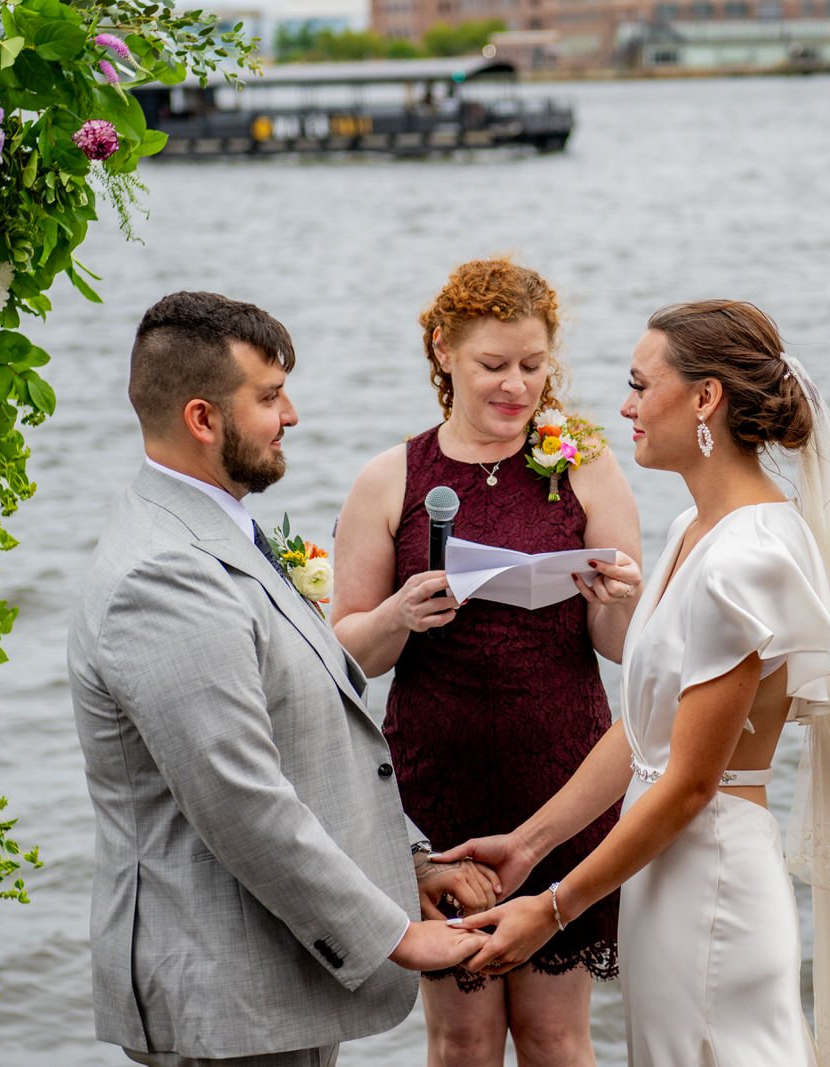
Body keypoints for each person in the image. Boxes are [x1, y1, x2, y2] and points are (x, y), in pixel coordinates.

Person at [438, 300, 830, 1065]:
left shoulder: (748, 555)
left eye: (641, 385)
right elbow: (645, 732)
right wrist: (529, 843)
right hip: (662, 870)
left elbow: (690, 783)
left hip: (711, 874)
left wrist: (552, 911)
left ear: (705, 397)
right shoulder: (693, 529)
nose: (625, 406)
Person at [66, 291, 491, 1067]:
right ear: (203, 419)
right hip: (224, 991)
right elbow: (242, 798)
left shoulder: (218, 528)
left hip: (273, 974)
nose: (291, 414)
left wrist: (411, 865)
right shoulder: (164, 574)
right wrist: (394, 931)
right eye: (268, 397)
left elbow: (318, 726)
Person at [331, 259, 642, 1067]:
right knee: (461, 1040)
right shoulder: (390, 478)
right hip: (439, 787)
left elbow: (618, 646)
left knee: (554, 1034)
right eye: (493, 366)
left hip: (564, 777)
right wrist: (399, 615)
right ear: (443, 352)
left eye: (533, 367)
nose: (516, 387)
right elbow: (341, 657)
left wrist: (618, 598)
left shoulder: (585, 463)